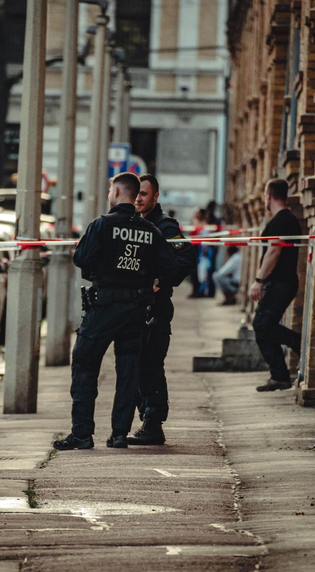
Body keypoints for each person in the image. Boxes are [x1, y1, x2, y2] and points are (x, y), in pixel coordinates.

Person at [53, 173, 182, 450]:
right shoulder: (151, 231)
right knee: (128, 371)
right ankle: (120, 434)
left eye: (111, 189)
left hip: (103, 307)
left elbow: (81, 259)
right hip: (135, 310)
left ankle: (82, 433)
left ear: (117, 192)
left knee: (85, 365)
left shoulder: (102, 225)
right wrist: (150, 280)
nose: (109, 194)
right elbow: (170, 267)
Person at [128, 174, 197, 445]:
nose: (139, 199)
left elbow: (186, 257)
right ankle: (146, 418)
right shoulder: (130, 223)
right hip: (132, 307)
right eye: (136, 194)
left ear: (155, 197)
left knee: (150, 365)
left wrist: (160, 281)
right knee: (132, 365)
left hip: (155, 308)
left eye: (144, 194)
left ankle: (153, 423)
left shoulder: (164, 226)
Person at [251, 178, 303, 392]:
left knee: (262, 325)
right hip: (281, 282)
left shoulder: (282, 220)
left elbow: (274, 251)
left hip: (280, 282)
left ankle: (298, 345)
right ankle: (280, 375)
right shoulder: (282, 219)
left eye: (264, 194)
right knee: (263, 325)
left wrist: (259, 281)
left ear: (269, 195)